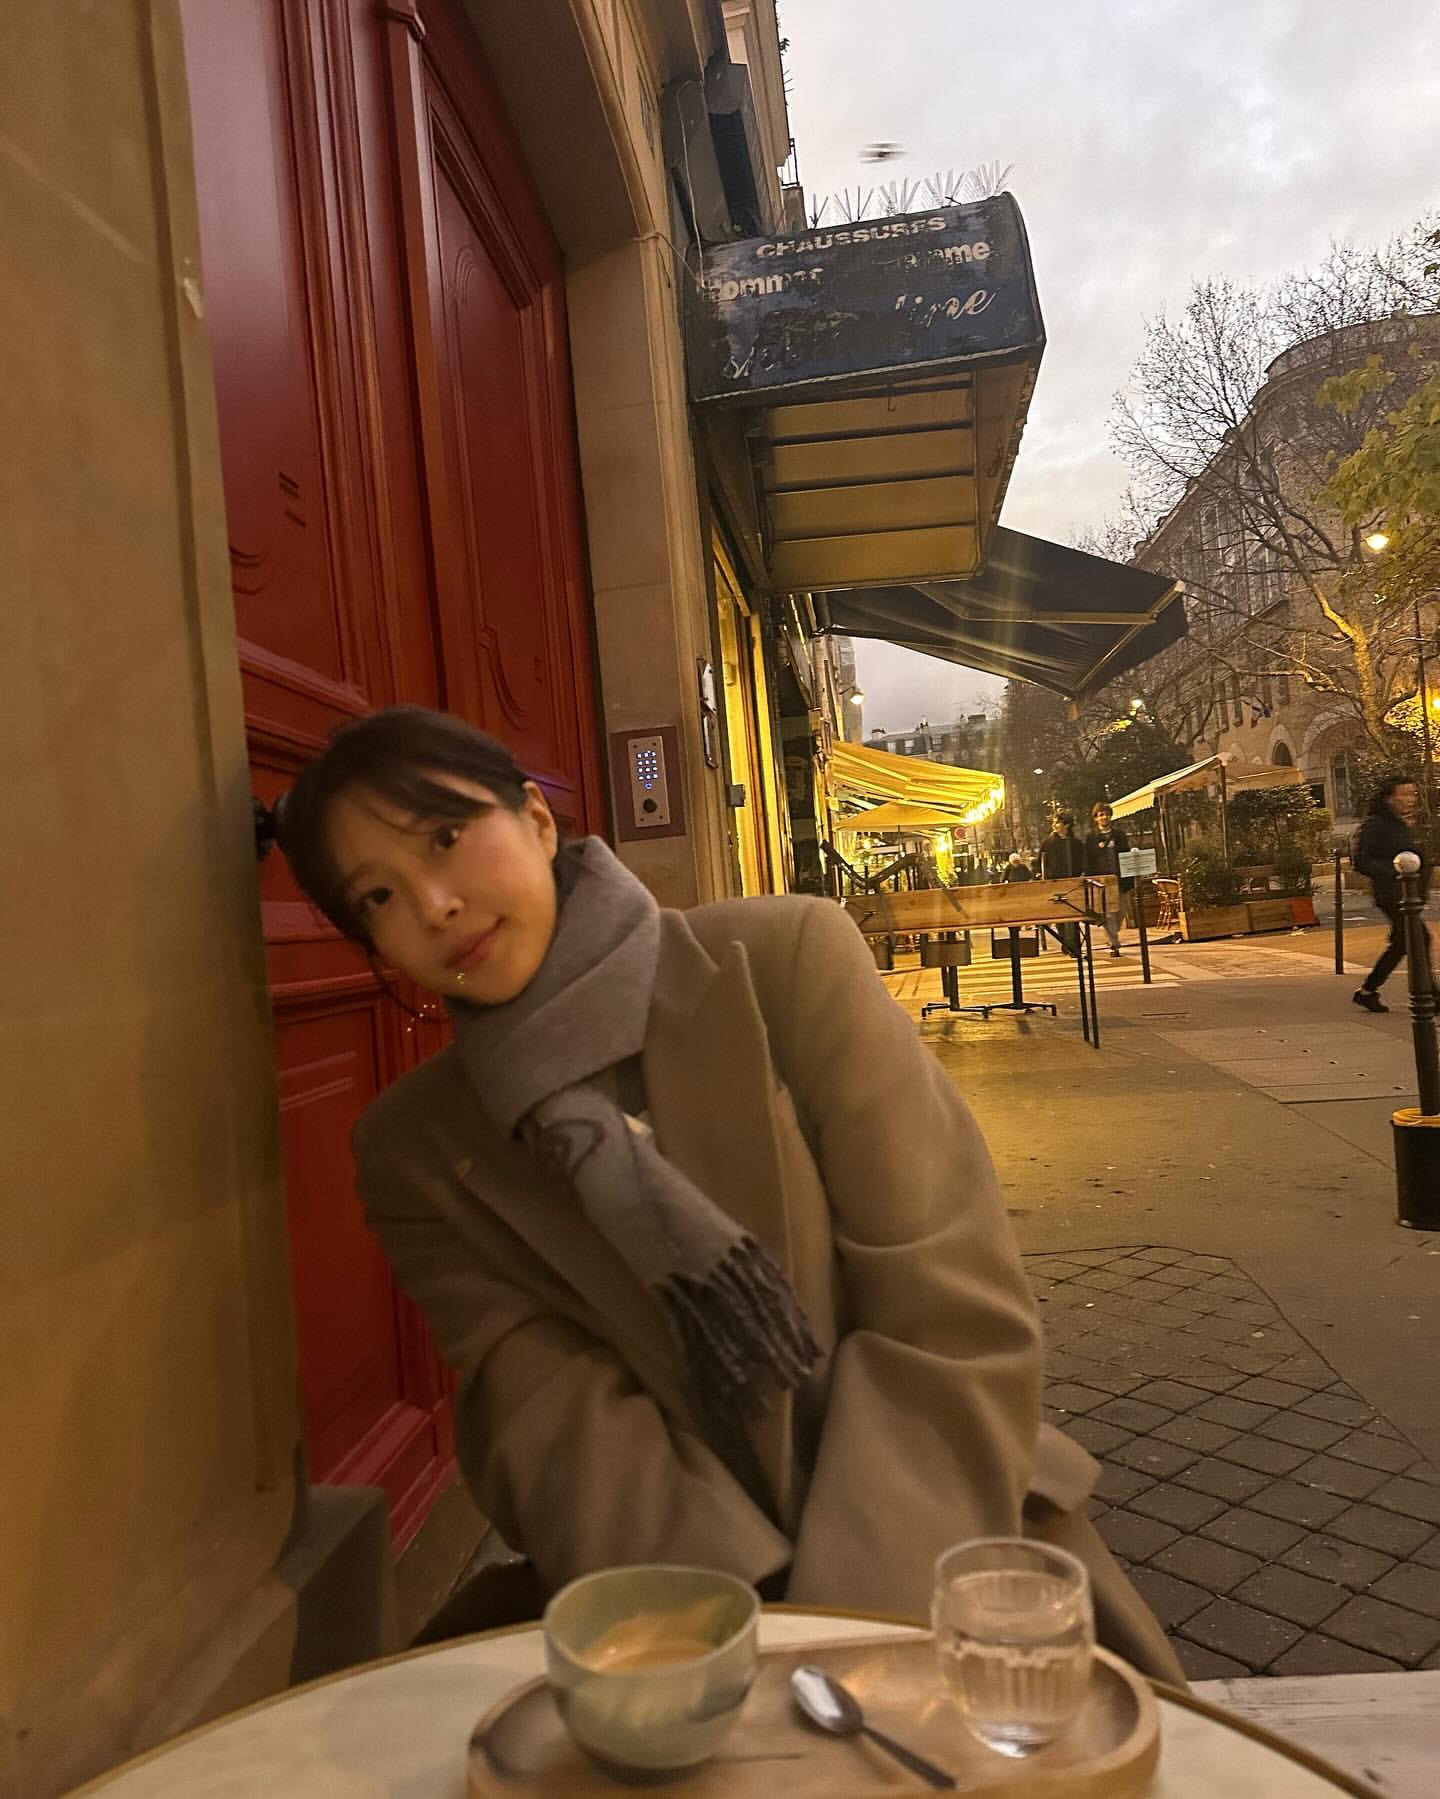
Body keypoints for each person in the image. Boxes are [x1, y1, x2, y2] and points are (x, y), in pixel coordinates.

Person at [275, 706, 1181, 1681]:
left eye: (446, 837)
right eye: (379, 895)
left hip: (950, 1546)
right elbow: (547, 1411)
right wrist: (735, 1633)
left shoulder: (782, 959)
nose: (435, 903)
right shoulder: (417, 1148)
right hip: (682, 1614)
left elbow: (948, 1299)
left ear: (536, 819)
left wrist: (844, 1630)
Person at [1352, 776, 1432, 1013]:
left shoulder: (1400, 823)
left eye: (1413, 793)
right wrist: (1395, 873)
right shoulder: (1377, 824)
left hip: (1409, 895)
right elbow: (1362, 860)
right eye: (1404, 794)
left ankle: (1367, 991)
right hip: (1392, 894)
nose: (1410, 799)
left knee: (1402, 943)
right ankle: (1429, 994)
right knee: (1419, 939)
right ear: (1389, 798)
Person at [1084, 802, 1133, 957]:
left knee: (1121, 911)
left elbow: (1126, 855)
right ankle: (1114, 943)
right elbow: (1089, 860)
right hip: (1102, 882)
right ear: (1095, 818)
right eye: (1100, 815)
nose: (1104, 817)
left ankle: (1112, 933)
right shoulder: (1091, 838)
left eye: (1106, 814)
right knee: (1109, 913)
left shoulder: (1119, 835)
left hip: (1120, 880)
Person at [1039, 813, 1086, 955]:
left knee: (1073, 916)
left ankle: (1074, 946)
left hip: (1073, 883)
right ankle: (1067, 944)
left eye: (1058, 822)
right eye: (1054, 822)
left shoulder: (1076, 843)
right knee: (1060, 917)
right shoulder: (1048, 843)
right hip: (1055, 883)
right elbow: (1041, 862)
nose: (1054, 825)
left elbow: (1082, 861)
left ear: (1067, 825)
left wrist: (1081, 874)